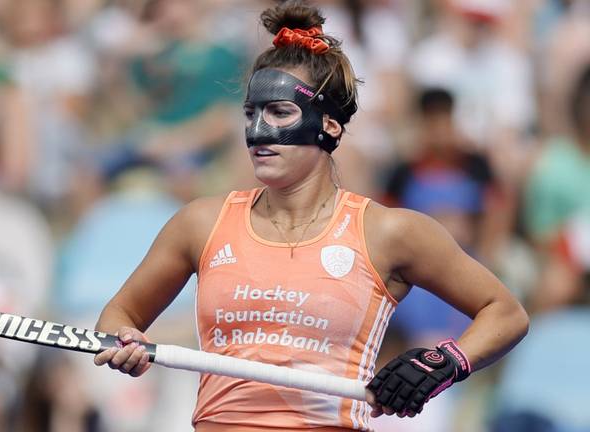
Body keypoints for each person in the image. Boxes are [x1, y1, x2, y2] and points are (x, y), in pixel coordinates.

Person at [94, 2, 529, 431]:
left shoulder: (389, 232)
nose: (259, 132)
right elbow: (117, 319)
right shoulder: (199, 224)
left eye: (280, 112)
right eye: (251, 113)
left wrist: (443, 362)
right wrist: (126, 343)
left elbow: (505, 312)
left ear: (330, 125)